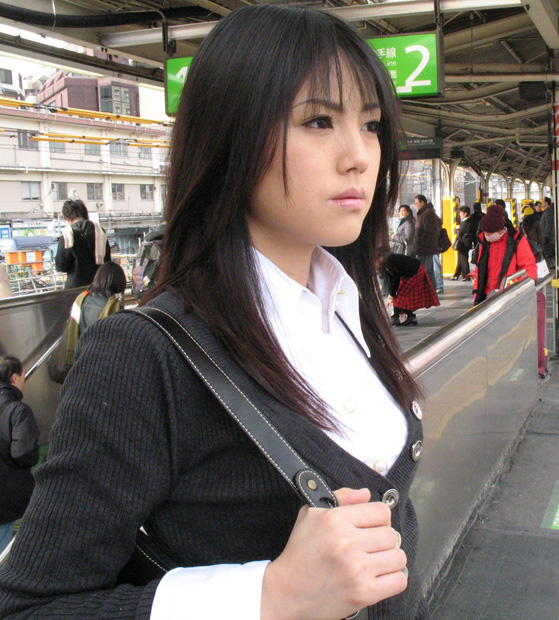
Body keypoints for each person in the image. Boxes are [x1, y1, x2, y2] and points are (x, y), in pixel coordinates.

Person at [0, 6, 426, 620]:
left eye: (372, 125)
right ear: (231, 138)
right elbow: (29, 606)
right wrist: (267, 596)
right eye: (318, 121)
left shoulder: (345, 307)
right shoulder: (142, 357)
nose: (359, 155)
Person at [0, 356, 40, 552]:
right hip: (5, 500)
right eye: (23, 375)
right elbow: (23, 453)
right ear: (14, 378)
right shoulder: (18, 411)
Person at [472, 208, 537, 305]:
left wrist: (521, 289)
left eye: (490, 233)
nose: (487, 235)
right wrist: (476, 291)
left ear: (500, 231)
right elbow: (480, 267)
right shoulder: (484, 242)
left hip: (511, 295)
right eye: (485, 232)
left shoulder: (517, 240)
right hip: (487, 295)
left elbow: (529, 267)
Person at [55, 199, 111, 289]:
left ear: (67, 218)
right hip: (99, 286)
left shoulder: (67, 234)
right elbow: (107, 260)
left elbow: (61, 266)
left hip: (75, 289)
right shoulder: (100, 232)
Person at [380, 253, 440, 326]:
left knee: (401, 295)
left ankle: (396, 317)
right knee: (403, 296)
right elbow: (392, 279)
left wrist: (392, 294)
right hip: (416, 269)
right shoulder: (387, 262)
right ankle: (410, 317)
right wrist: (391, 294)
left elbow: (396, 278)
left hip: (414, 272)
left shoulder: (389, 262)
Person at [413, 194, 440, 292]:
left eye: (417, 203)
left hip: (425, 248)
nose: (416, 205)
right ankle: (429, 290)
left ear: (422, 202)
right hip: (424, 247)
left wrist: (420, 243)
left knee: (427, 271)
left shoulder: (427, 213)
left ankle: (429, 291)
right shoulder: (423, 213)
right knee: (427, 270)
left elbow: (428, 231)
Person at [450, 206, 473, 281]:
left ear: (465, 213)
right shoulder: (470, 221)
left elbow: (460, 232)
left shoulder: (465, 222)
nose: (459, 214)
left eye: (460, 212)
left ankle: (466, 276)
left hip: (463, 243)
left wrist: (457, 229)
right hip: (467, 242)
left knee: (463, 259)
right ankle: (456, 275)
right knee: (461, 259)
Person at [540, 196, 556, 267]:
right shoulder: (547, 211)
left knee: (548, 250)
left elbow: (548, 224)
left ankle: (551, 264)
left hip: (547, 236)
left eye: (543, 201)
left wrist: (546, 236)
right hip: (547, 235)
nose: (542, 203)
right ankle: (551, 264)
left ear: (546, 203)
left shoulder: (548, 212)